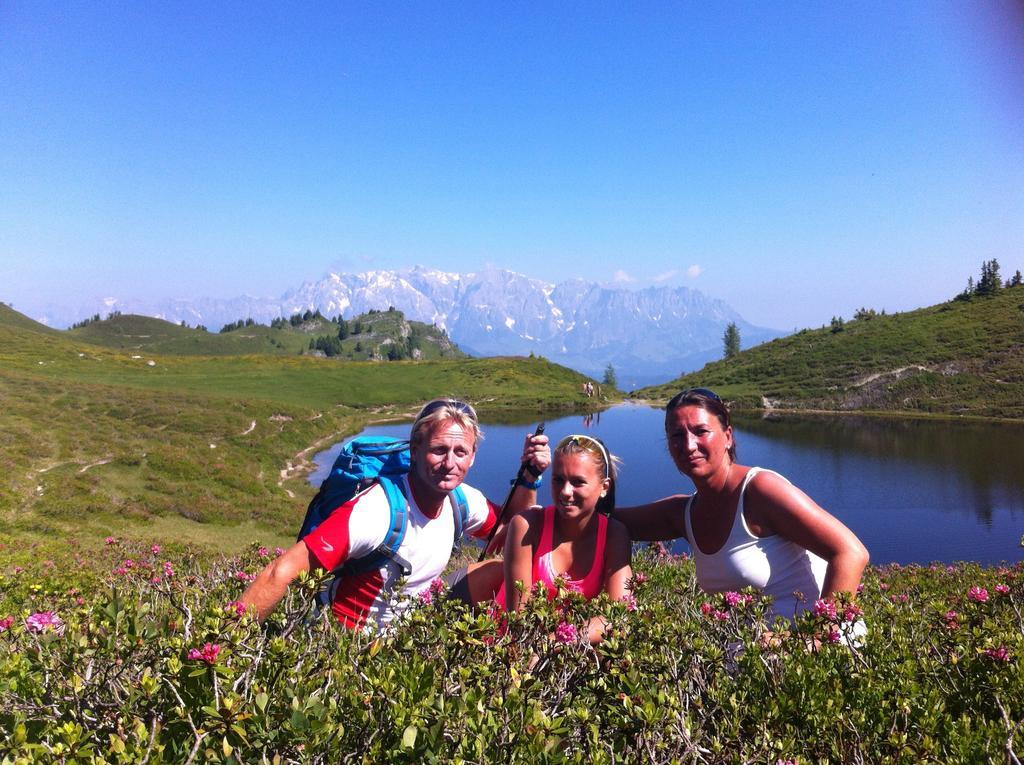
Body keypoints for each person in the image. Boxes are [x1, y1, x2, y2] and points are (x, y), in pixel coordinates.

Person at [240, 398, 550, 630]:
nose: (450, 463)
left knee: (498, 571)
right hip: (345, 644)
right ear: (415, 450)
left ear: (472, 457)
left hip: (411, 628)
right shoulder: (378, 511)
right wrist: (226, 643)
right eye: (438, 450)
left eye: (460, 452)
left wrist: (530, 477)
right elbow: (281, 571)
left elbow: (514, 531)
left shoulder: (461, 501)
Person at [614, 388, 868, 624]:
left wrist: (821, 636)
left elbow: (850, 553)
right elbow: (606, 520)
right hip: (755, 661)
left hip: (815, 659)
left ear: (727, 436)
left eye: (701, 431)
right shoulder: (684, 513)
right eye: (677, 435)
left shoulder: (760, 490)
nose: (689, 445)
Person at [462, 433, 633, 644]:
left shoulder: (614, 535)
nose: (565, 492)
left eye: (578, 482)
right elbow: (518, 619)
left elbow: (620, 614)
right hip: (505, 646)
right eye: (558, 480)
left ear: (604, 487)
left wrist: (556, 642)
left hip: (557, 645)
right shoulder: (527, 526)